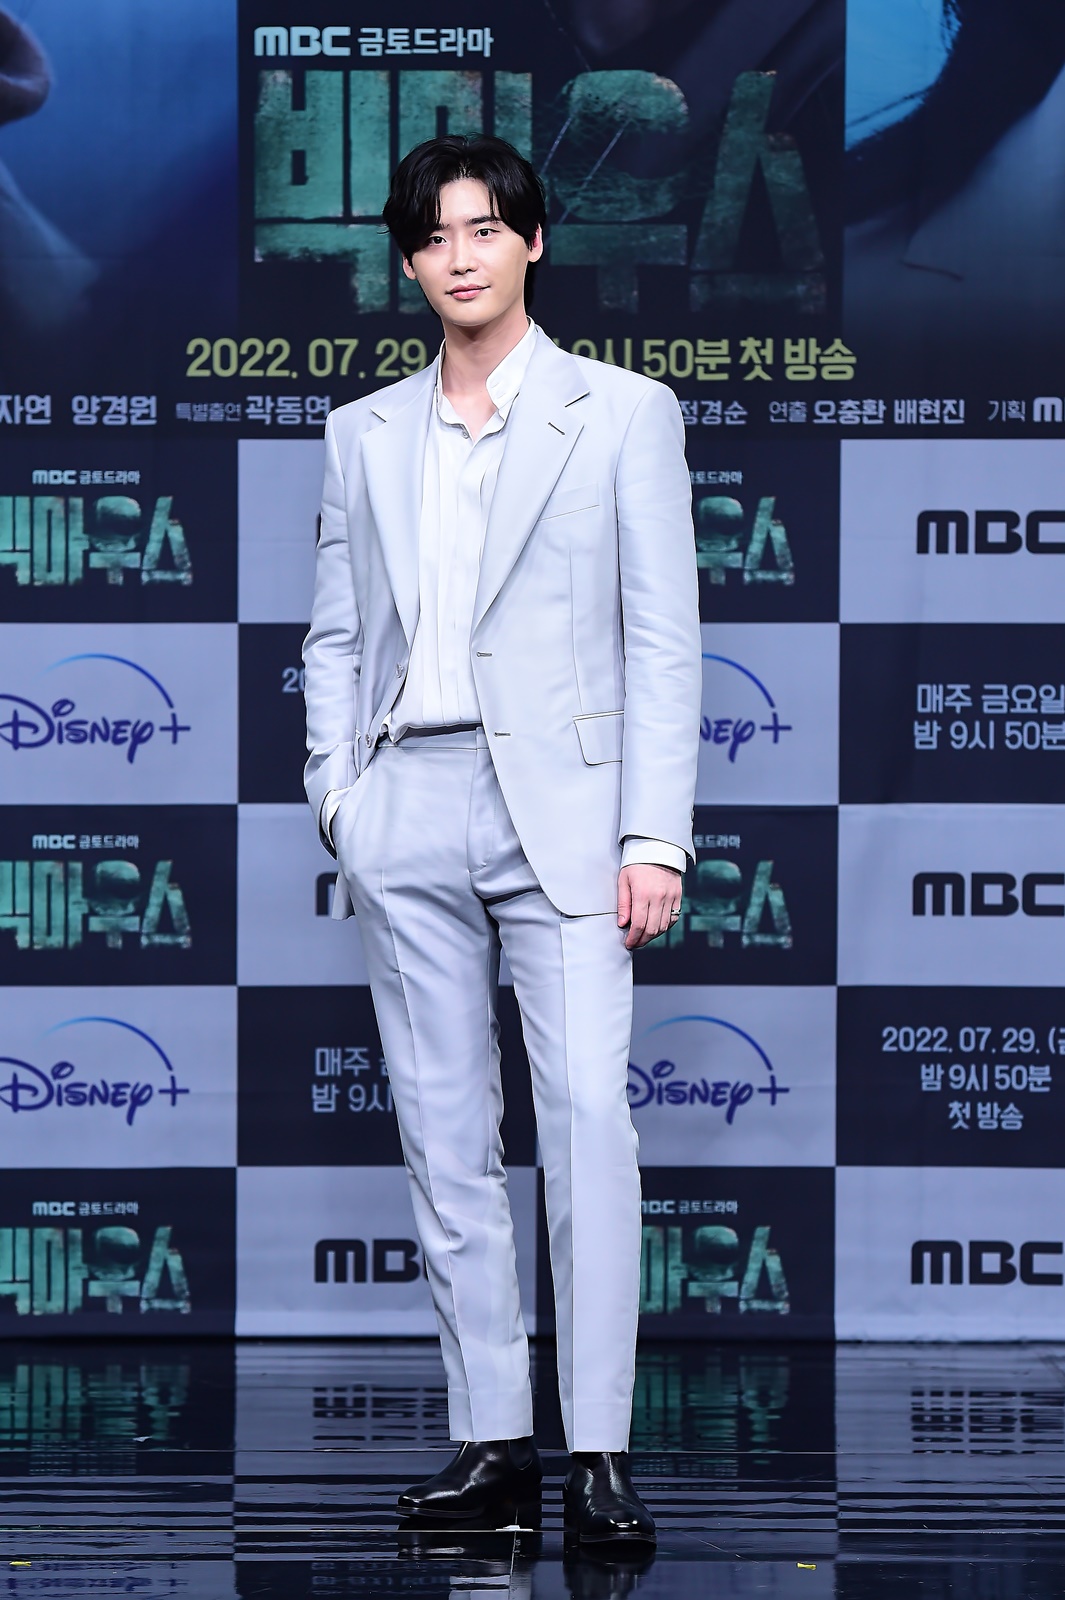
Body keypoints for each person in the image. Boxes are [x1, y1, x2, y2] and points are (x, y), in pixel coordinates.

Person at [302, 133, 701, 1546]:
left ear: (533, 242)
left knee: (588, 1123)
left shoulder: (623, 412)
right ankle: (492, 1439)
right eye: (432, 236)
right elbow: (337, 635)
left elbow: (663, 643)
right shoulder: (362, 433)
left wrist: (653, 836)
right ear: (408, 264)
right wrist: (341, 799)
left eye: (484, 229)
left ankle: (597, 1449)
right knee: (443, 1132)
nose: (459, 256)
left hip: (570, 817)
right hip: (405, 801)